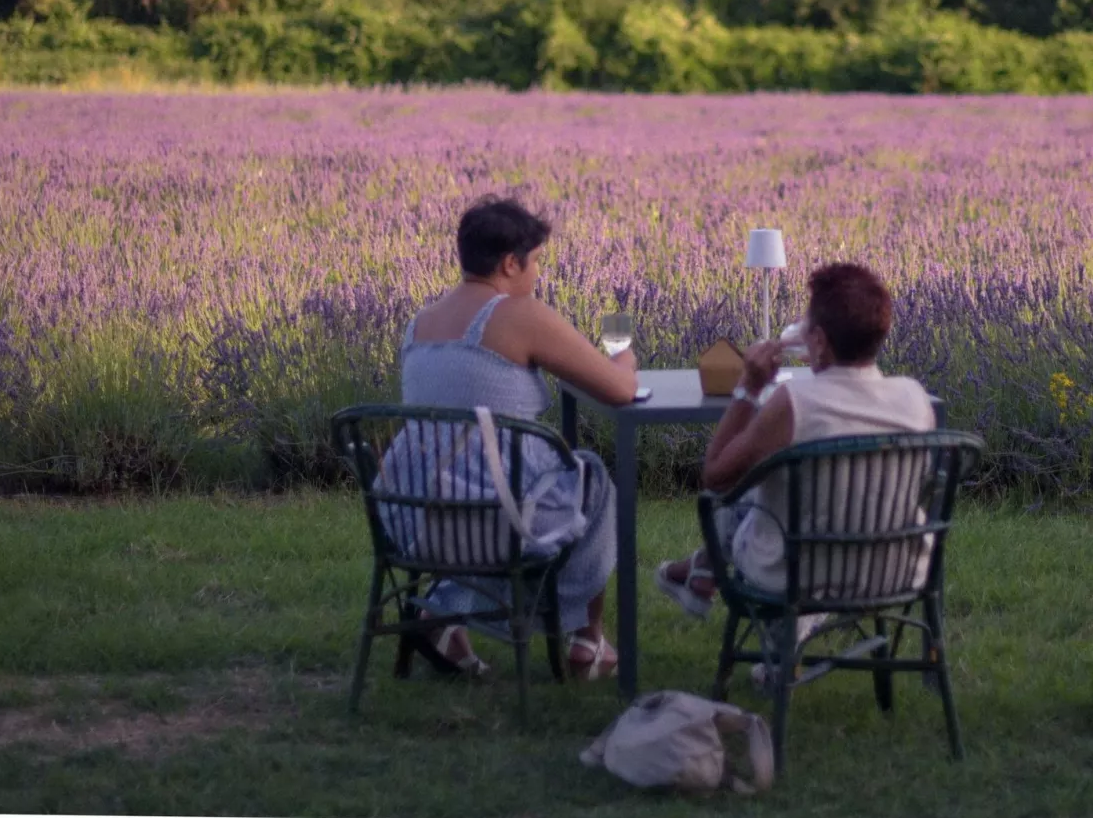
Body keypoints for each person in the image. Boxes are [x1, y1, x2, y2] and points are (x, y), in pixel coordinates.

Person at [381, 196, 637, 679]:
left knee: (554, 485)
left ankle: (443, 611)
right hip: (495, 517)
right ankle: (586, 638)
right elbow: (619, 389)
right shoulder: (520, 314)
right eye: (536, 260)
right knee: (593, 480)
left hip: (415, 514)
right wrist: (623, 352)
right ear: (510, 263)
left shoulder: (420, 323)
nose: (538, 273)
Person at [656, 262, 939, 619]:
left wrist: (749, 387)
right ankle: (704, 570)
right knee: (786, 487)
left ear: (819, 342)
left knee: (746, 492)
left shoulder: (794, 403)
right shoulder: (915, 397)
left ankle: (704, 566)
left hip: (797, 574)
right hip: (895, 571)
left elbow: (715, 476)